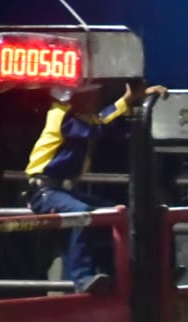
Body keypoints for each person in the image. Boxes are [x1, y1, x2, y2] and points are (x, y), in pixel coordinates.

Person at [24, 81, 168, 294]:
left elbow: (104, 124)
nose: (96, 98)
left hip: (63, 190)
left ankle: (125, 271)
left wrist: (131, 101)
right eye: (89, 95)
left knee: (117, 212)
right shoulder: (61, 115)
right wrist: (126, 101)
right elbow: (97, 129)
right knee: (81, 214)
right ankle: (82, 278)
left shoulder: (81, 116)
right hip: (44, 190)